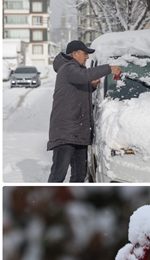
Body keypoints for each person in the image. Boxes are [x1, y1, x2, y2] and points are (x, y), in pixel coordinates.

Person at [47, 40, 122, 182]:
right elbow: (83, 75)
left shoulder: (74, 71)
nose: (87, 57)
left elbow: (76, 91)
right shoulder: (68, 68)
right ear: (74, 54)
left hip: (78, 132)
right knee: (58, 174)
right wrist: (109, 68)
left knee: (79, 175)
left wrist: (91, 86)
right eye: (85, 54)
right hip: (66, 132)